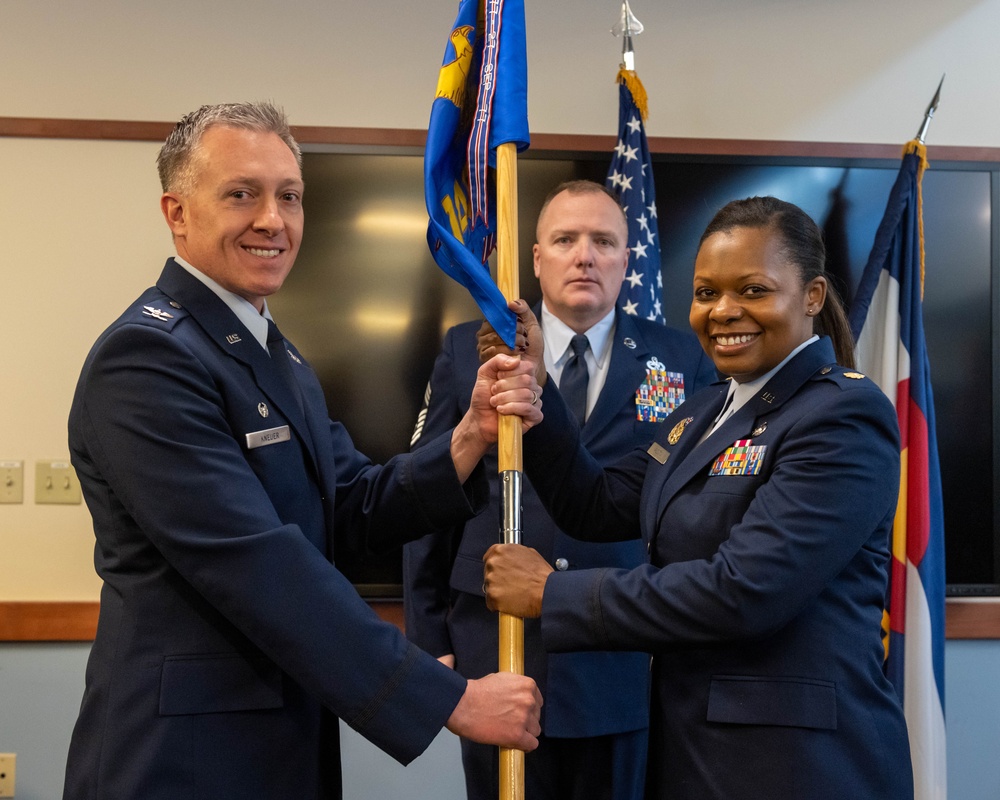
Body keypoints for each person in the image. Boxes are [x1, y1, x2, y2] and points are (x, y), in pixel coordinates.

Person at [63, 101, 544, 800]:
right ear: (177, 213)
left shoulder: (272, 352)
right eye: (241, 194)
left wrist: (468, 434)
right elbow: (258, 563)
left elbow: (348, 507)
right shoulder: (147, 358)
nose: (273, 219)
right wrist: (449, 698)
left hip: (277, 739)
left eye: (289, 196)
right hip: (186, 758)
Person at [482, 196, 914, 799]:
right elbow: (598, 502)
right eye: (706, 292)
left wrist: (552, 593)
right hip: (695, 753)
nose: (723, 311)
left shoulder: (842, 416)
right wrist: (538, 387)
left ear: (812, 296)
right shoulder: (707, 408)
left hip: (795, 767)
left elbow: (743, 590)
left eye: (754, 290)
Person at [404, 180, 716, 800]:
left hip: (622, 649)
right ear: (537, 257)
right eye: (566, 239)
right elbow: (427, 493)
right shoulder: (474, 348)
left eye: (604, 241)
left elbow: (691, 512)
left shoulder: (683, 359)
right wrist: (427, 639)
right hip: (498, 643)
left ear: (628, 259)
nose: (586, 256)